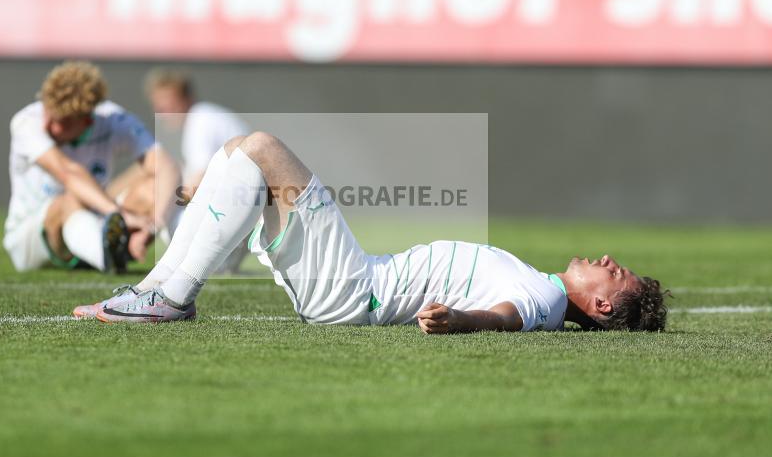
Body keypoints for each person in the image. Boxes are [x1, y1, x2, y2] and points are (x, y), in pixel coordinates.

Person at [72, 132, 668, 332]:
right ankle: (157, 290)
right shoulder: (543, 282)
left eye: (617, 273)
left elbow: (507, 318)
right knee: (237, 151)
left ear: (601, 305)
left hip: (357, 290)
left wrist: (462, 323)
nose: (610, 258)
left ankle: (170, 299)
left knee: (261, 149)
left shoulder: (545, 297)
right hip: (358, 281)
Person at [3, 61, 176, 276]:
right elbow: (69, 173)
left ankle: (106, 245)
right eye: (49, 114)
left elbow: (166, 166)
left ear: (87, 121)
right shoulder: (26, 122)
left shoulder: (114, 120)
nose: (49, 127)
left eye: (63, 122)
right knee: (70, 199)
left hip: (94, 219)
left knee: (153, 189)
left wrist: (154, 225)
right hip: (29, 241)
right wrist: (118, 213)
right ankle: (106, 257)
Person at [107, 68, 249, 269]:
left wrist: (153, 224)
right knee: (155, 177)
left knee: (150, 189)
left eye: (168, 102)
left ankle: (109, 240)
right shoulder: (208, 116)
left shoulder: (201, 119)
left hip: (220, 239)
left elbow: (198, 180)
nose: (162, 109)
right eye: (158, 103)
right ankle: (109, 225)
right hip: (231, 232)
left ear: (186, 97)